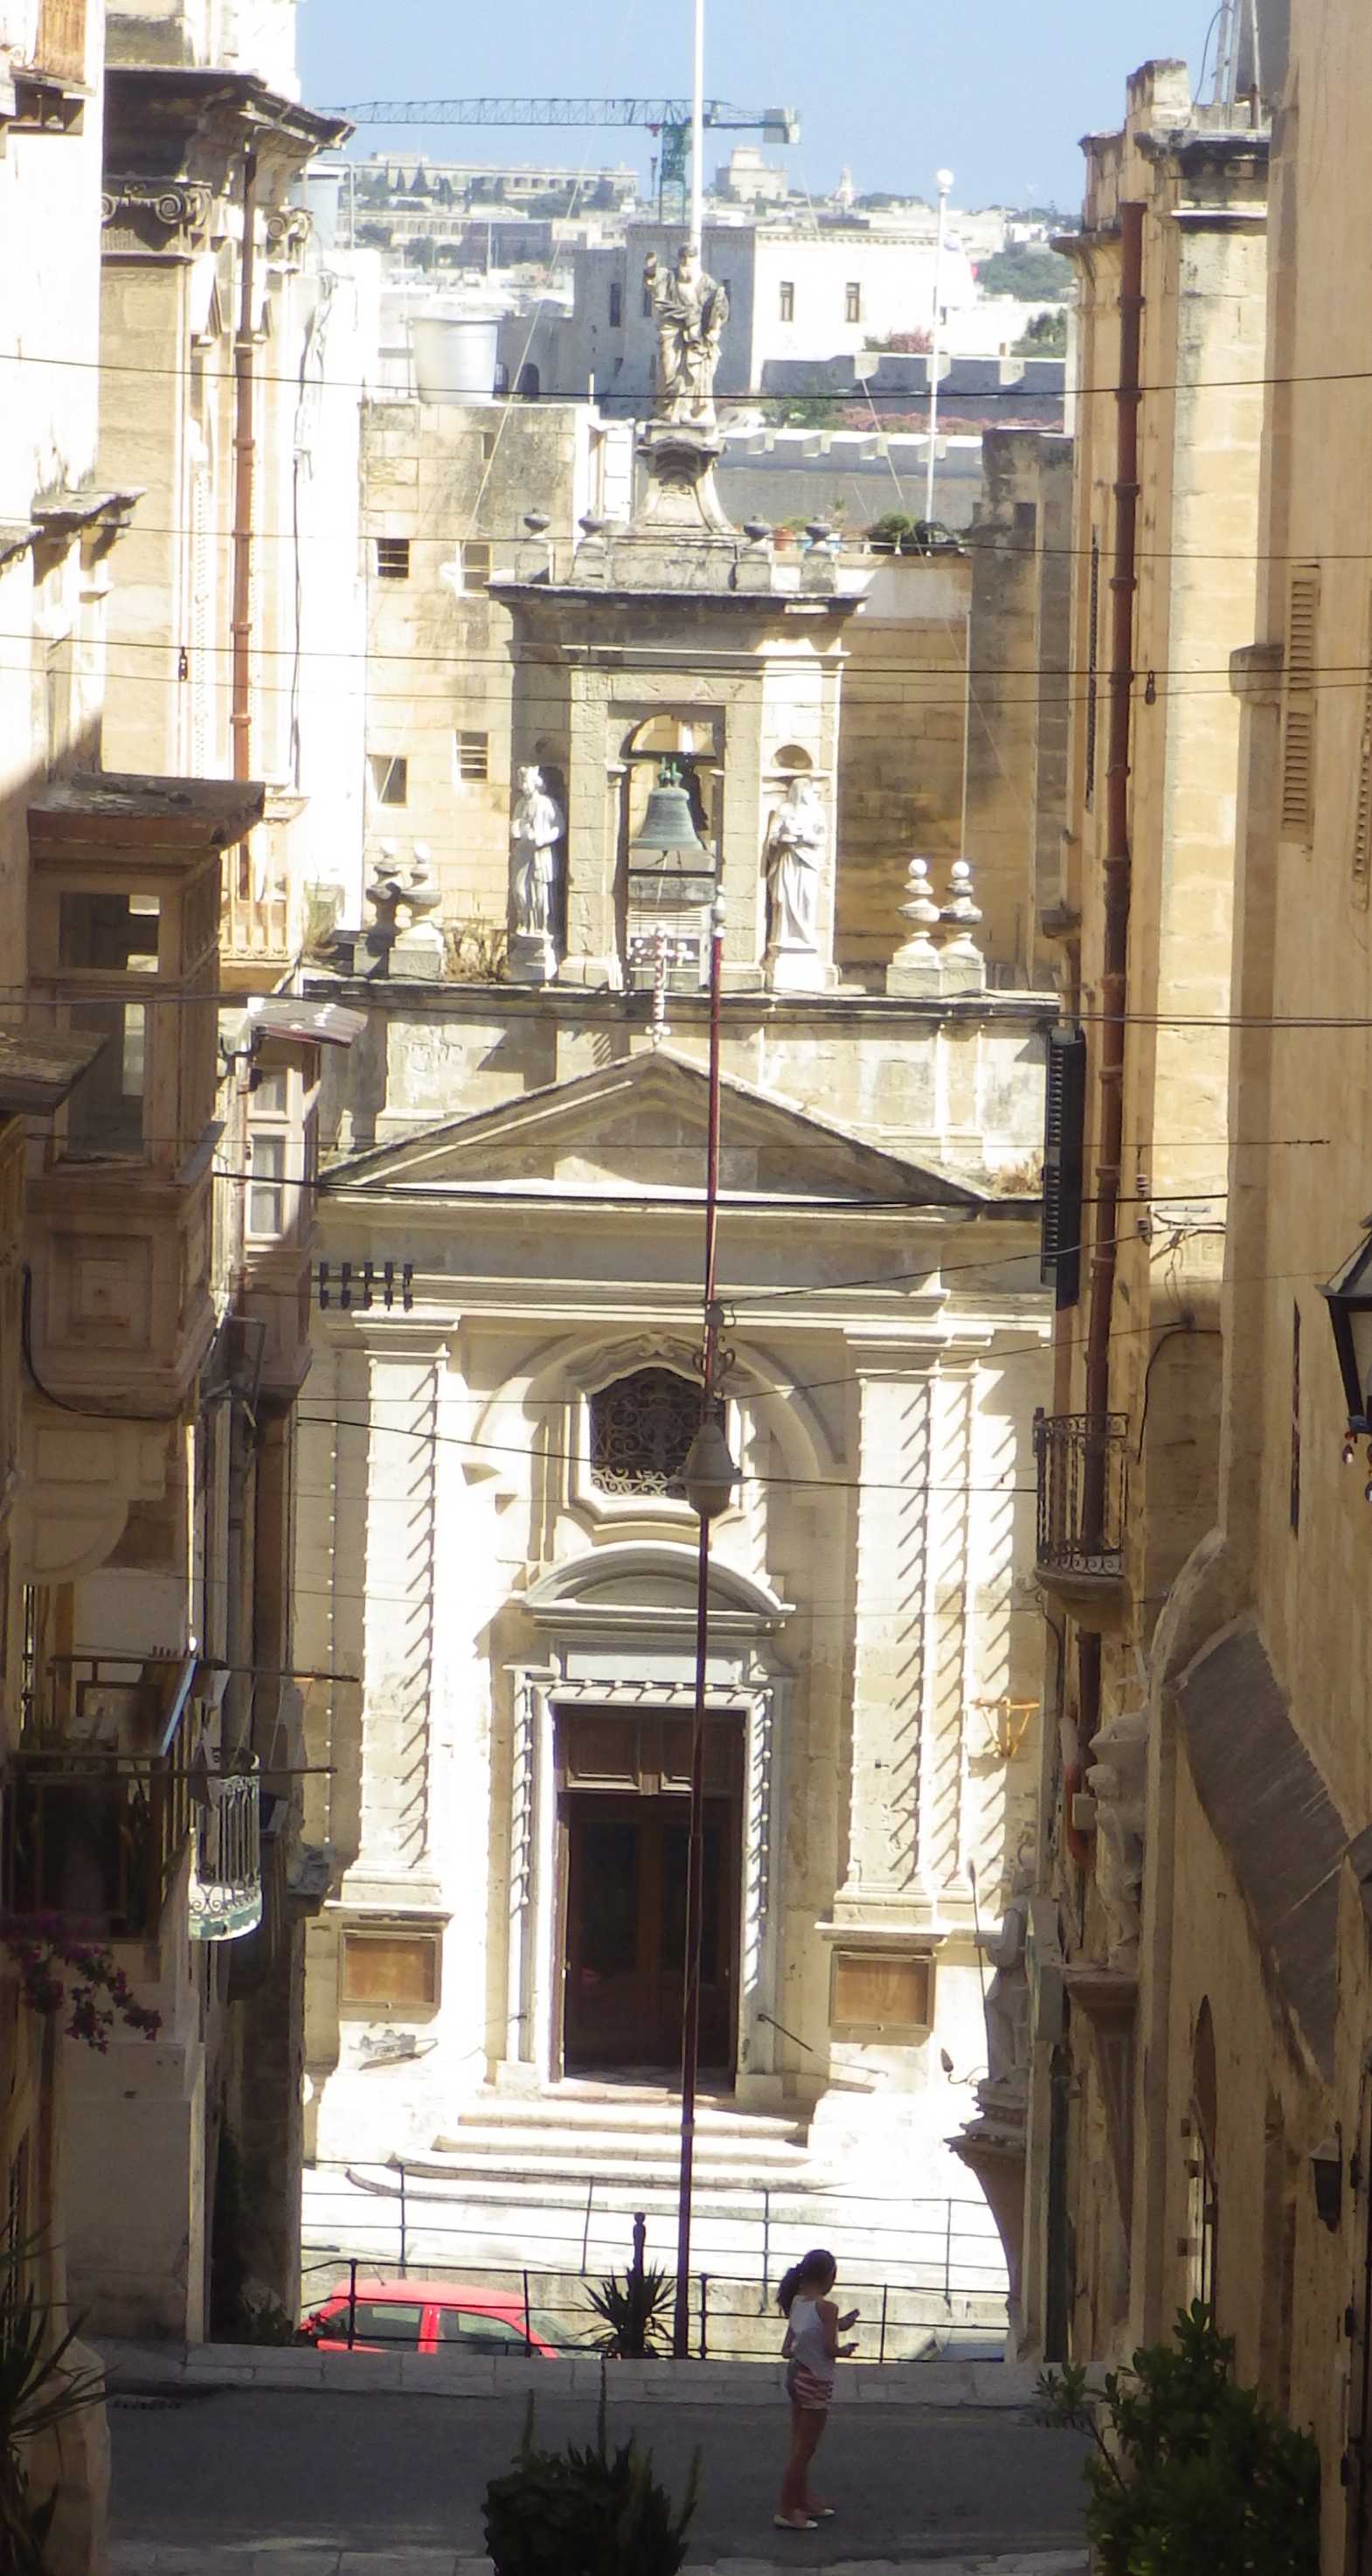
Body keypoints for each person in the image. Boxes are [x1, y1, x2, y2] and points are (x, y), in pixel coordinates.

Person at [774, 2247, 859, 2532]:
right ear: (829, 2276)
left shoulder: (799, 2302)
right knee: (805, 2449)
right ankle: (787, 2509)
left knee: (798, 2443)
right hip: (816, 2381)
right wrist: (845, 2349)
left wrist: (839, 2325)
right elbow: (829, 2348)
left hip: (796, 2375)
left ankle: (802, 2500)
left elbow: (788, 2347)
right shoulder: (828, 2308)